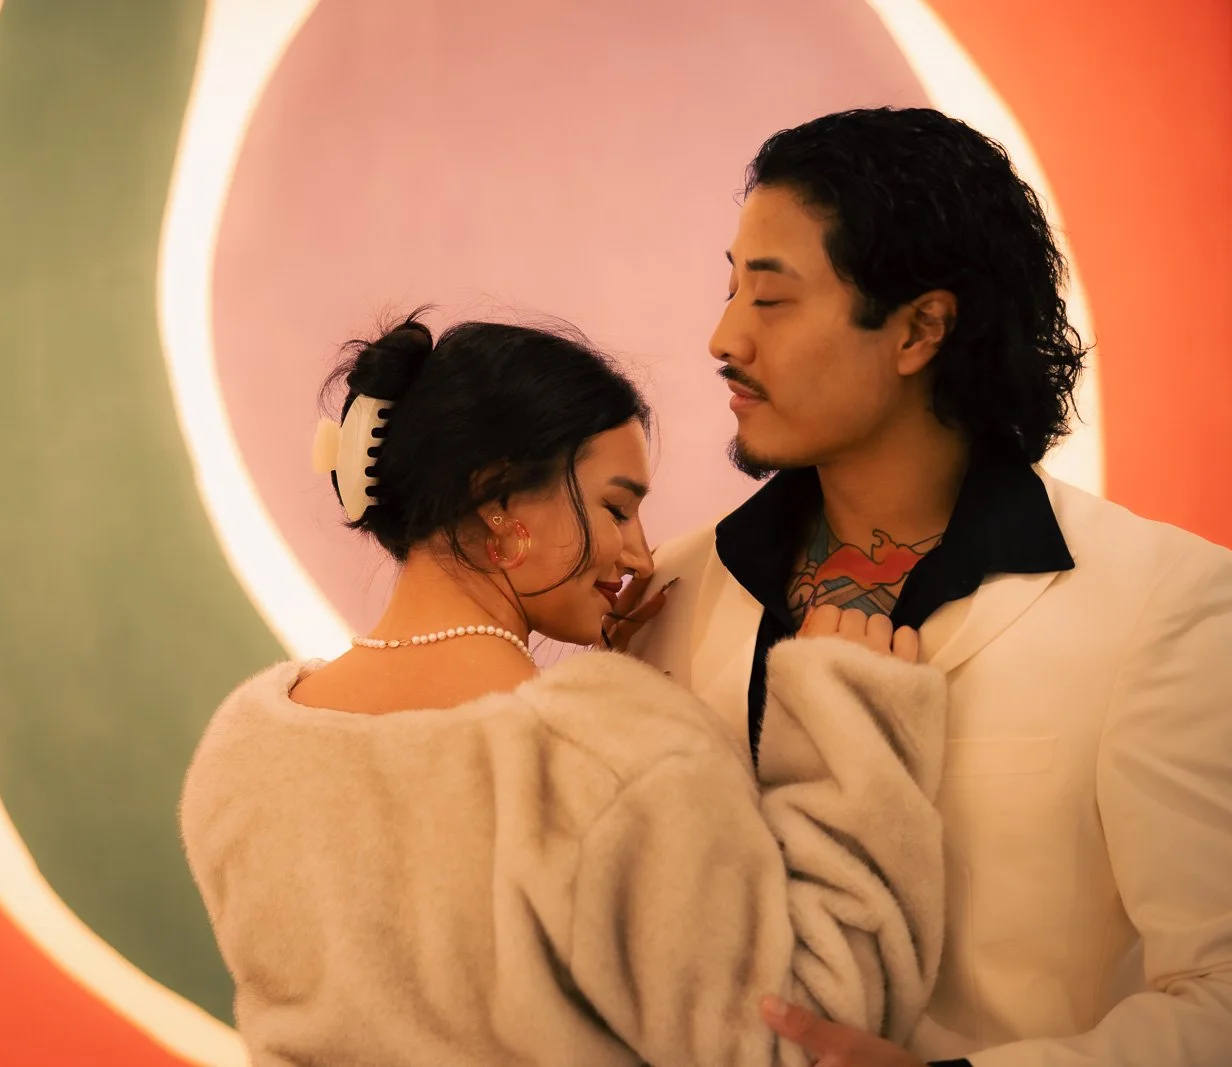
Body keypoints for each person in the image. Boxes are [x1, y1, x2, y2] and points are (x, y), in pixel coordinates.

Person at [625, 107, 1232, 1066]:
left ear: (919, 330)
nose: (723, 336)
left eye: (771, 299)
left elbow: (1222, 1002)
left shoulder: (1165, 604)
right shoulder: (670, 592)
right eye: (730, 286)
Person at [179, 314, 949, 1066]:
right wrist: (847, 719)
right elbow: (809, 1034)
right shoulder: (603, 752)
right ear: (498, 503)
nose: (640, 554)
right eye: (618, 506)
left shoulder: (246, 752)